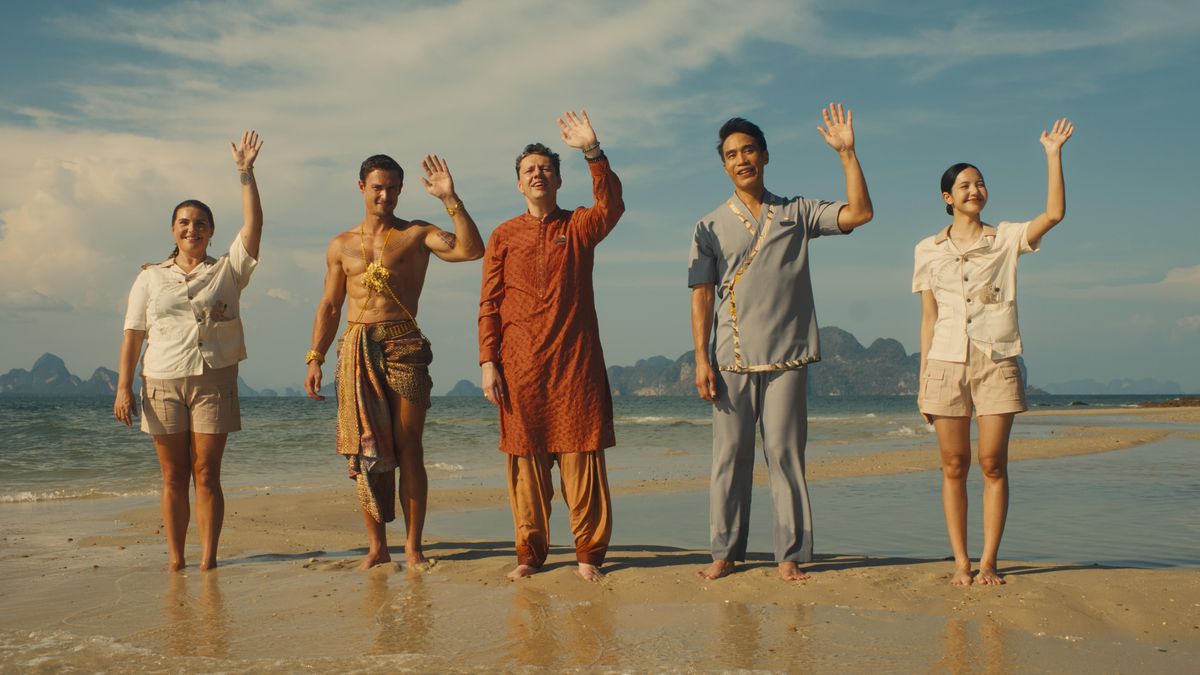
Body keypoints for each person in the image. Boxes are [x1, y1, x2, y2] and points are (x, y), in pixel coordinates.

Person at [688, 105, 875, 581]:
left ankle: (789, 555)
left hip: (789, 355)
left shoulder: (797, 211)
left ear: (765, 156)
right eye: (731, 154)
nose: (741, 159)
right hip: (730, 357)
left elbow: (861, 213)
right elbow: (702, 296)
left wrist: (848, 154)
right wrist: (701, 359)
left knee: (786, 456)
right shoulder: (708, 225)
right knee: (729, 459)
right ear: (724, 165)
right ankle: (724, 552)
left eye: (749, 149)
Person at [914, 118, 1075, 587]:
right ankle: (961, 562)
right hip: (944, 362)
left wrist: (1052, 154)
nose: (974, 190)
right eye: (964, 185)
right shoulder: (927, 249)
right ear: (947, 197)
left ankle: (988, 562)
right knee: (953, 465)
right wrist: (924, 379)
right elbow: (928, 317)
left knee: (991, 463)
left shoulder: (1004, 238)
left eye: (979, 183)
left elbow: (1055, 215)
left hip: (996, 360)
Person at [304, 153, 484, 570]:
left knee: (409, 450)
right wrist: (315, 356)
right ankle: (376, 547)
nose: (385, 195)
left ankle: (413, 547)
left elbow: (472, 250)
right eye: (377, 187)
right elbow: (330, 306)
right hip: (356, 349)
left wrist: (450, 199)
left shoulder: (417, 234)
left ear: (401, 191)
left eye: (393, 188)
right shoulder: (340, 245)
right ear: (362, 187)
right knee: (365, 450)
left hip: (404, 345)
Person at [478, 111, 624, 582]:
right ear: (518, 185)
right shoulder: (503, 235)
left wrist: (592, 152)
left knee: (583, 459)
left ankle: (588, 557)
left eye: (544, 168)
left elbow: (612, 207)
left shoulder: (579, 226)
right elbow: (489, 304)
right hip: (519, 367)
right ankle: (530, 554)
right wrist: (488, 362)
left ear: (559, 178)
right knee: (525, 464)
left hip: (575, 366)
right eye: (528, 171)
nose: (537, 174)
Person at [113, 130, 265, 572]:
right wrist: (123, 388)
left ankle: (209, 561)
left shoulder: (228, 271)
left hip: (214, 379)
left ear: (211, 231)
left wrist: (246, 174)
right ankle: (176, 560)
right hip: (160, 380)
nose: (192, 229)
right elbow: (133, 334)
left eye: (200, 223)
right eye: (184, 222)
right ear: (172, 230)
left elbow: (253, 226)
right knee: (173, 477)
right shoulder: (150, 277)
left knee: (207, 473)